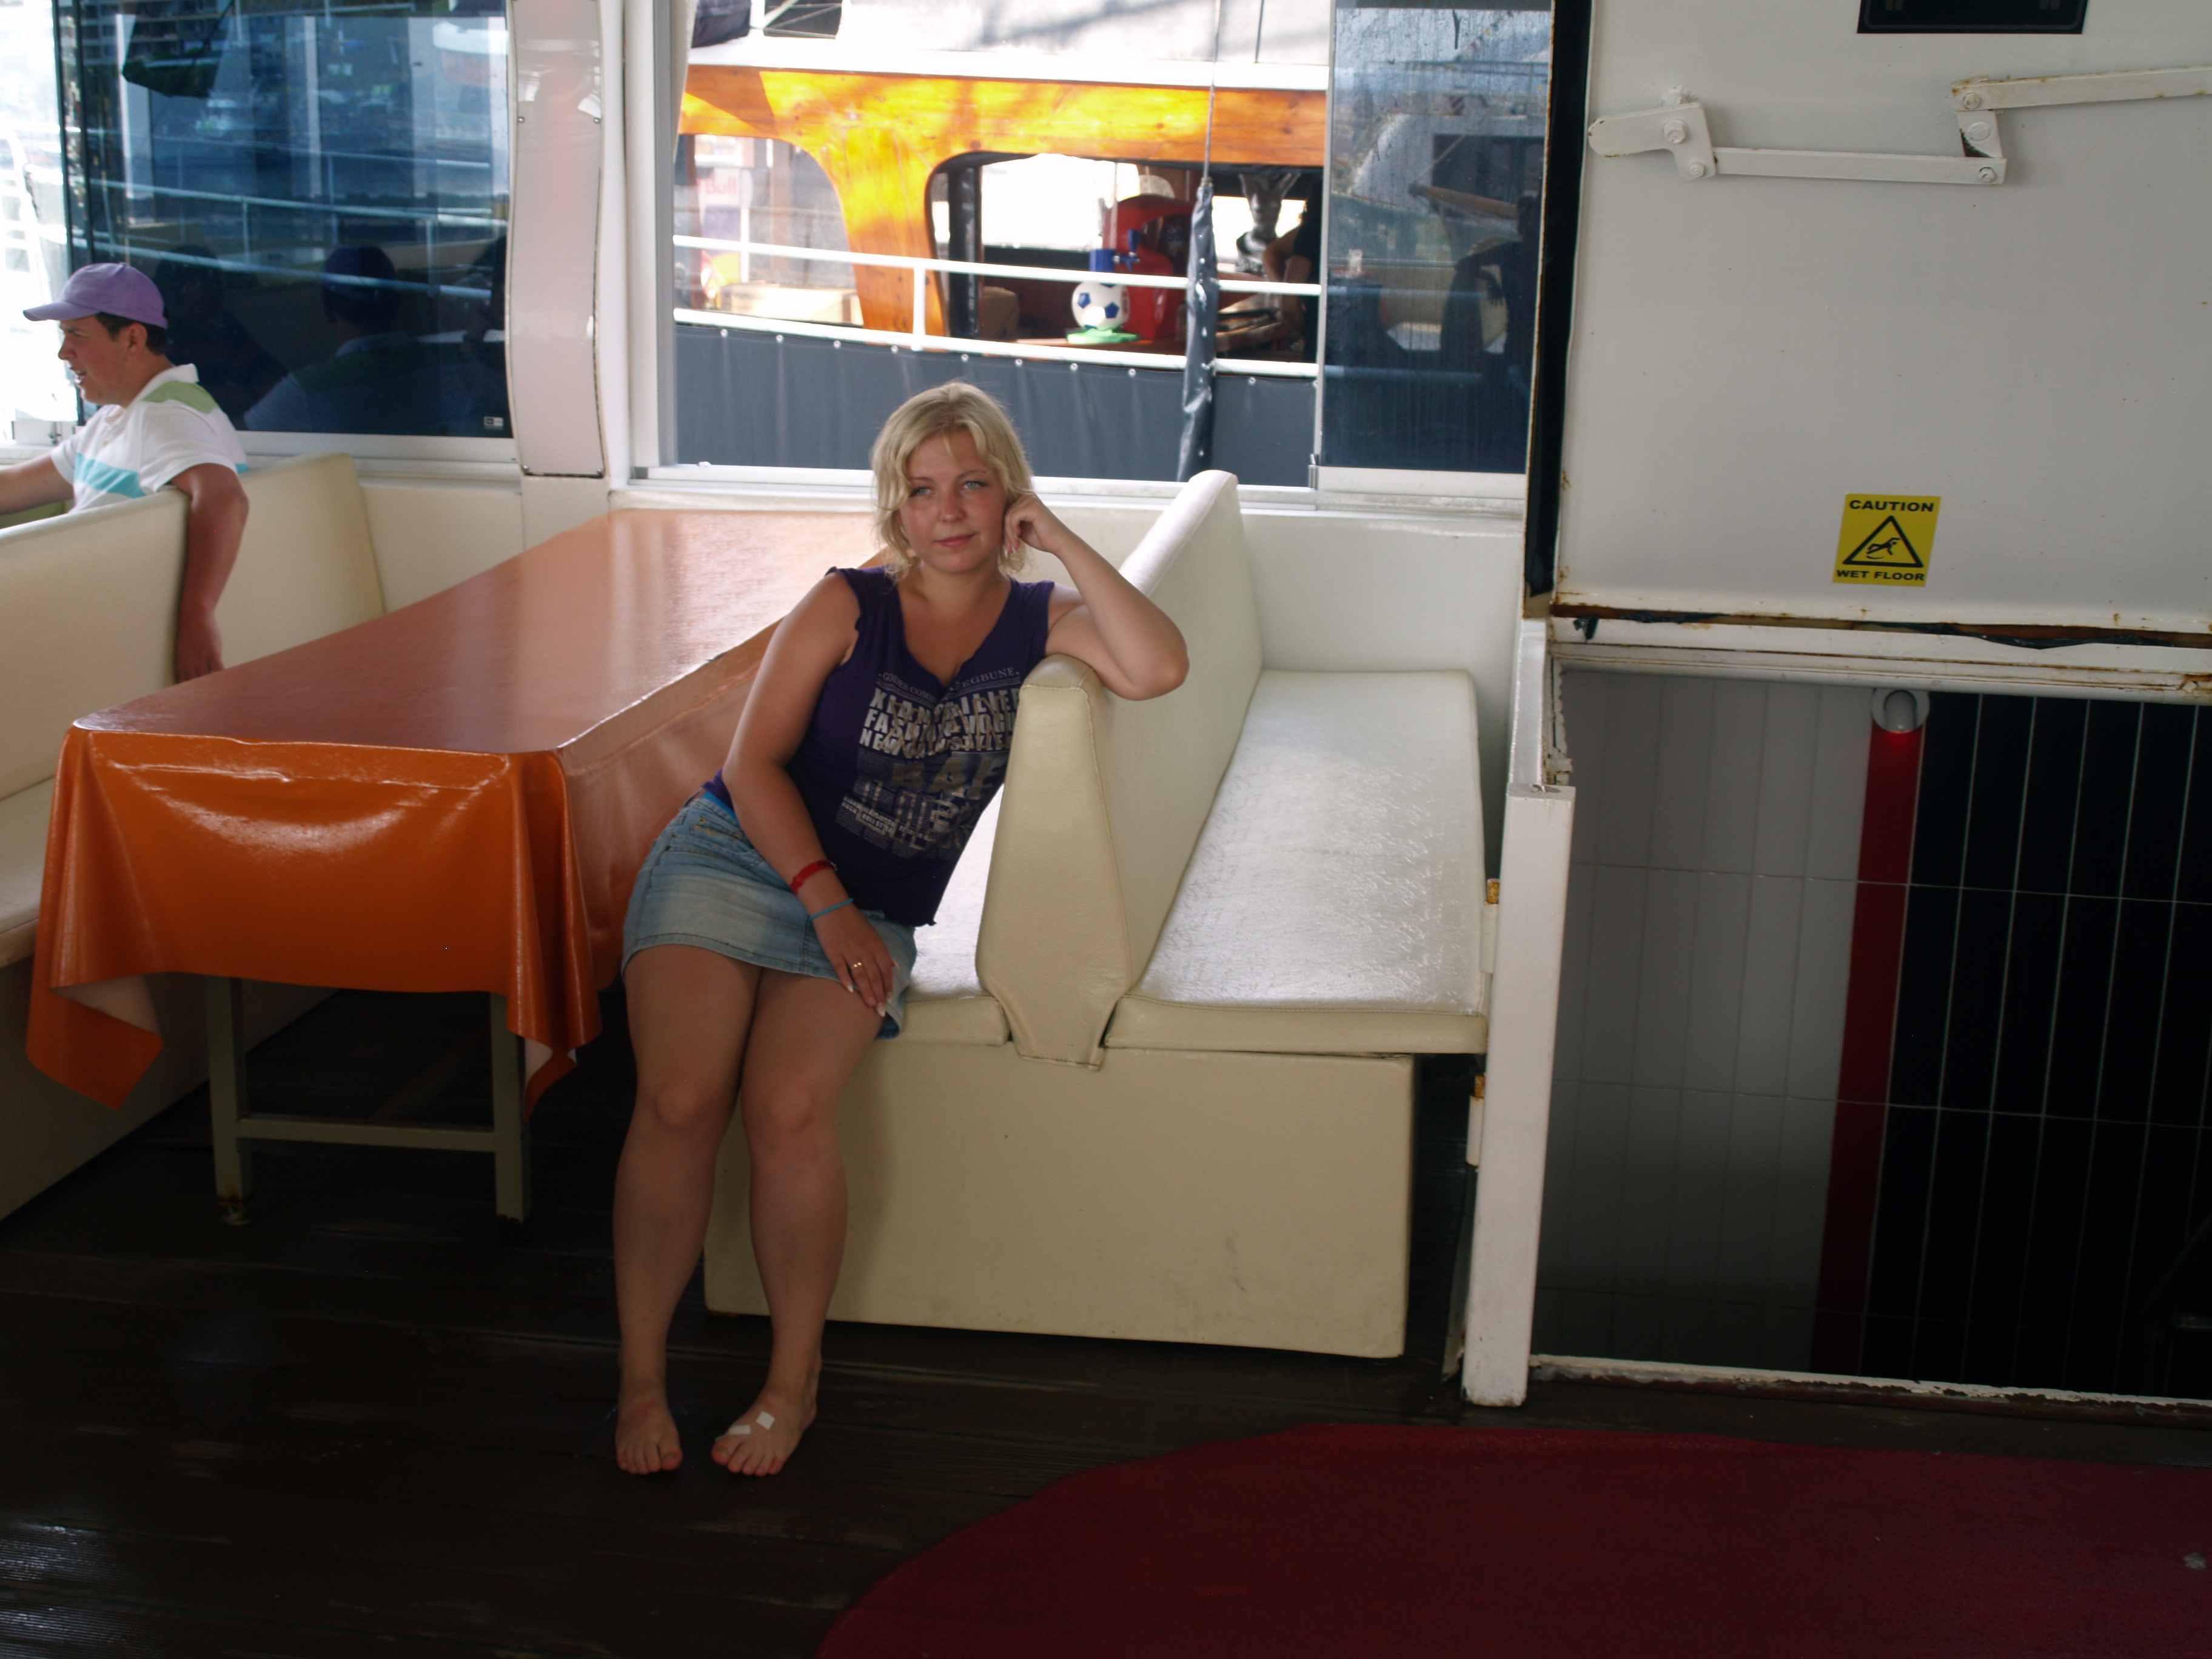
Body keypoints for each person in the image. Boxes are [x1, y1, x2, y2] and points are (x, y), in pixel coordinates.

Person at [612, 383, 1188, 1478]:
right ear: (896, 507)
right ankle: (640, 1378)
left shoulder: (1042, 620)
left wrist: (1062, 539)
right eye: (922, 490)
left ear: (1008, 494)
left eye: (973, 483)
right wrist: (823, 904)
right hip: (738, 861)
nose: (950, 510)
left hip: (871, 904)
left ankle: (793, 1383)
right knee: (681, 1099)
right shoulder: (847, 605)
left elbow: (1158, 666)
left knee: (788, 1108)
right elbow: (750, 766)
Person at [0, 261, 250, 681]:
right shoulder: (118, 417)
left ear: (133, 338)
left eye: (78, 335)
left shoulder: (166, 415)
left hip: (94, 634)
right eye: (64, 336)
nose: (64, 352)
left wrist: (198, 613)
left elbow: (225, 498)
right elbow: (10, 487)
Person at [244, 245, 444, 435]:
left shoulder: (306, 390)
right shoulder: (450, 364)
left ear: (327, 307)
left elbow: (240, 438)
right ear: (398, 302)